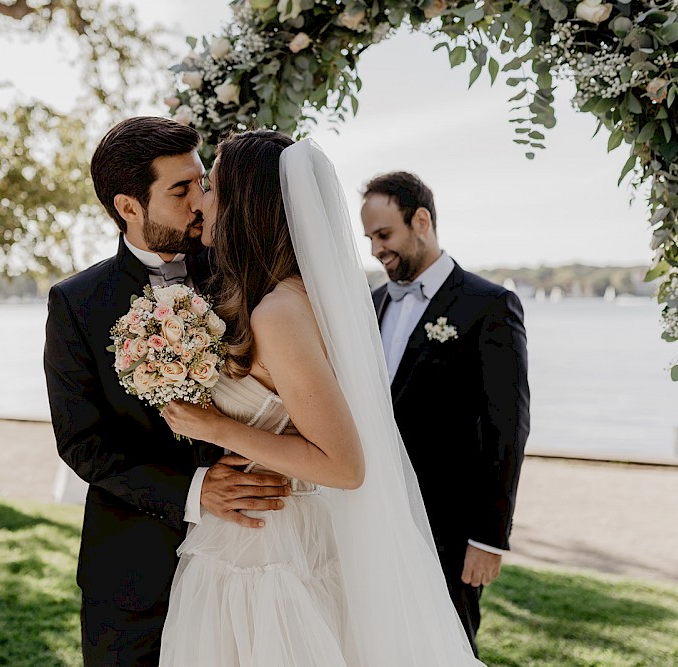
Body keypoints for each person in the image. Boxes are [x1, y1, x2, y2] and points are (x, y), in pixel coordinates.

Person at [159, 130, 484, 666]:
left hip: (272, 549)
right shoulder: (281, 295)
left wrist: (215, 428)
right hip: (265, 530)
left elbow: (344, 464)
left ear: (246, 204)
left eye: (212, 188)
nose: (200, 201)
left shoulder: (280, 311)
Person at [43, 116, 291, 666]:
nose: (201, 200)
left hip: (253, 555)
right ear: (129, 207)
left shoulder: (245, 276)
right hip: (132, 572)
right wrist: (195, 490)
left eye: (202, 182)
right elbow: (82, 443)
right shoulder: (77, 304)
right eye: (181, 190)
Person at [362, 171, 531, 654]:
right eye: (370, 238)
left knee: (449, 648)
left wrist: (490, 537)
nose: (376, 249)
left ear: (421, 221)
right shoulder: (370, 305)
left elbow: (508, 427)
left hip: (450, 529)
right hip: (376, 517)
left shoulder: (490, 305)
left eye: (385, 234)